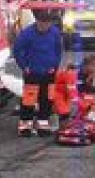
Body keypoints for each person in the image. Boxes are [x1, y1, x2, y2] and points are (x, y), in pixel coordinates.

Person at [12, 8, 64, 136]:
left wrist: (55, 66)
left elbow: (58, 50)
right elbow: (17, 50)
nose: (45, 26)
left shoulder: (54, 32)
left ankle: (43, 126)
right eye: (42, 24)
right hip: (32, 73)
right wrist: (24, 66)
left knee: (46, 100)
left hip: (48, 72)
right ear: (38, 22)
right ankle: (25, 127)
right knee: (29, 101)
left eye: (47, 24)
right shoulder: (27, 33)